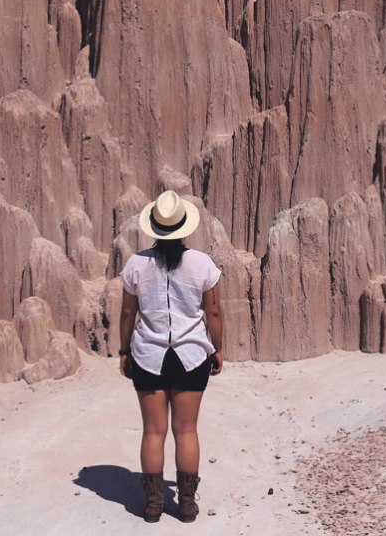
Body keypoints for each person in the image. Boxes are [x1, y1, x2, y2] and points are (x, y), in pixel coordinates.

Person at [119, 189, 223, 523]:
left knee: (153, 432)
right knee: (186, 430)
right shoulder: (202, 263)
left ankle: (153, 505)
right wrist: (217, 348)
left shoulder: (136, 264)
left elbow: (126, 313)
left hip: (148, 354)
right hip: (191, 355)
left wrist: (124, 351)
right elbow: (215, 312)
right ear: (183, 228)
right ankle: (187, 505)